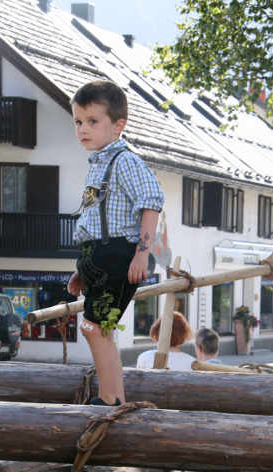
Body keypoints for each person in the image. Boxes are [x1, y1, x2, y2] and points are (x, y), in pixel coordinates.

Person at [67, 80, 164, 405]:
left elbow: (151, 203)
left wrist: (142, 254)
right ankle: (113, 397)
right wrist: (83, 271)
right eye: (78, 121)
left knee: (97, 328)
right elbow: (93, 221)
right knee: (96, 328)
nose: (83, 129)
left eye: (93, 122)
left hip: (118, 255)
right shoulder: (99, 164)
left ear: (118, 125)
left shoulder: (125, 161)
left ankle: (111, 400)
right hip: (100, 258)